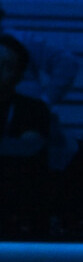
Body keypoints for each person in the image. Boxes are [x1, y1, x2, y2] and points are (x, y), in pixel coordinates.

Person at [0, 34, 52, 237]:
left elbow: (27, 151)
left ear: (19, 75)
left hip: (14, 207)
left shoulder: (32, 110)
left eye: (6, 66)